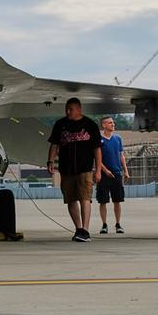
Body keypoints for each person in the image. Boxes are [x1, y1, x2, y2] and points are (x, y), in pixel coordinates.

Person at [47, 97, 103, 242]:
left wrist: (98, 170)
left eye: (71, 109)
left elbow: (97, 149)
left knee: (85, 198)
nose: (68, 112)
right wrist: (50, 160)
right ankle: (78, 228)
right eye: (67, 109)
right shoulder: (60, 124)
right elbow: (54, 144)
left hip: (85, 168)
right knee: (70, 199)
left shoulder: (90, 125)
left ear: (79, 109)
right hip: (66, 169)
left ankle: (85, 229)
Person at [97, 116, 129, 234]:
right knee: (103, 200)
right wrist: (105, 171)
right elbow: (97, 159)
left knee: (117, 200)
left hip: (116, 173)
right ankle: (104, 224)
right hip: (103, 175)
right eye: (110, 123)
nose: (113, 124)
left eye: (113, 123)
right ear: (104, 125)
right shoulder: (99, 140)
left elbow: (121, 155)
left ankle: (118, 224)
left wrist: (125, 171)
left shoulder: (118, 138)